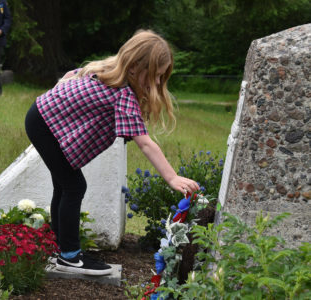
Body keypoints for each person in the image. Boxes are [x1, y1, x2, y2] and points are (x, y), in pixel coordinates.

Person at [24, 30, 200, 276]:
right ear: (135, 67)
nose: (159, 83)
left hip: (41, 118)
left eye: (161, 77)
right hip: (44, 125)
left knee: (65, 185)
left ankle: (61, 248)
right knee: (74, 186)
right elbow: (146, 143)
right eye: (155, 76)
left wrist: (60, 99)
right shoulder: (123, 94)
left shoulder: (108, 70)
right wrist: (172, 178)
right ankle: (69, 257)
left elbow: (69, 75)